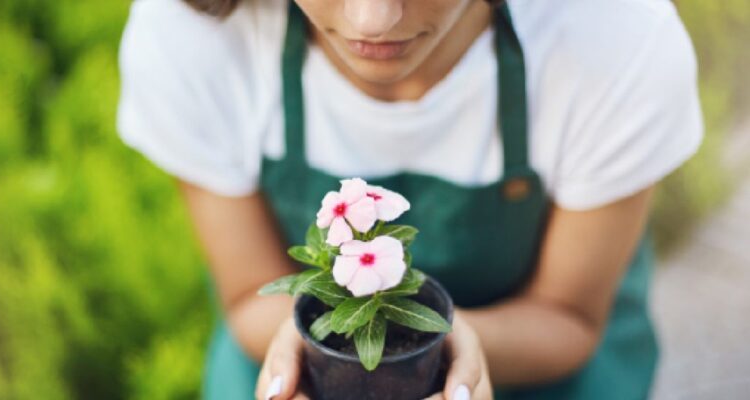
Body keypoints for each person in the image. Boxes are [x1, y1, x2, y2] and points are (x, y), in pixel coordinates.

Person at [116, 0, 703, 398]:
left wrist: (442, 349)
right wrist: (329, 363)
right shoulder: (195, 35)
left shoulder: (614, 38)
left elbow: (568, 315)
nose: (373, 20)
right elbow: (250, 294)